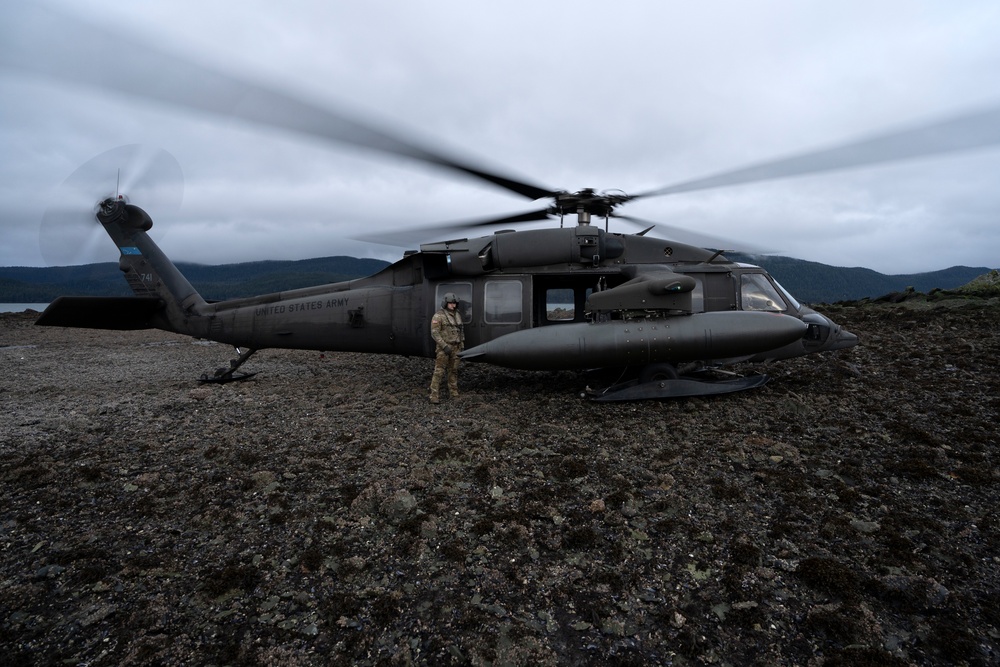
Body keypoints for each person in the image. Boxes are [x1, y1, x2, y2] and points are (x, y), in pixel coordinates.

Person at [429, 292, 465, 403]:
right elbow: (434, 333)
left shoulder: (457, 314)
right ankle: (434, 395)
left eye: (454, 303)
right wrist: (444, 346)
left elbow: (461, 330)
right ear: (446, 303)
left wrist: (462, 344)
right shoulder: (438, 316)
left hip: (456, 347)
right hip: (444, 348)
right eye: (451, 303)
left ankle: (453, 393)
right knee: (439, 371)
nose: (453, 305)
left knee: (453, 371)